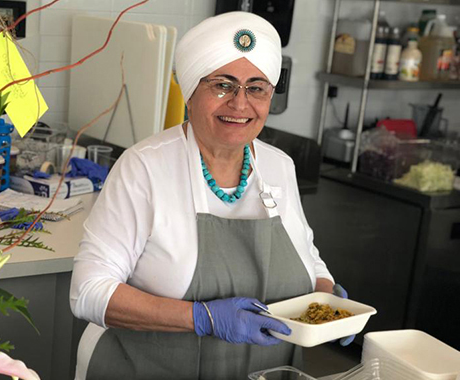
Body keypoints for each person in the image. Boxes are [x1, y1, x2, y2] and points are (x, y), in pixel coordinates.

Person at [70, 11, 345, 380]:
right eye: (222, 84)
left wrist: (328, 301)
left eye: (256, 87)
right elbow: (88, 292)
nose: (239, 103)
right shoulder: (144, 168)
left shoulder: (279, 167)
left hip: (266, 370)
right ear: (190, 92)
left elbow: (308, 257)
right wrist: (202, 317)